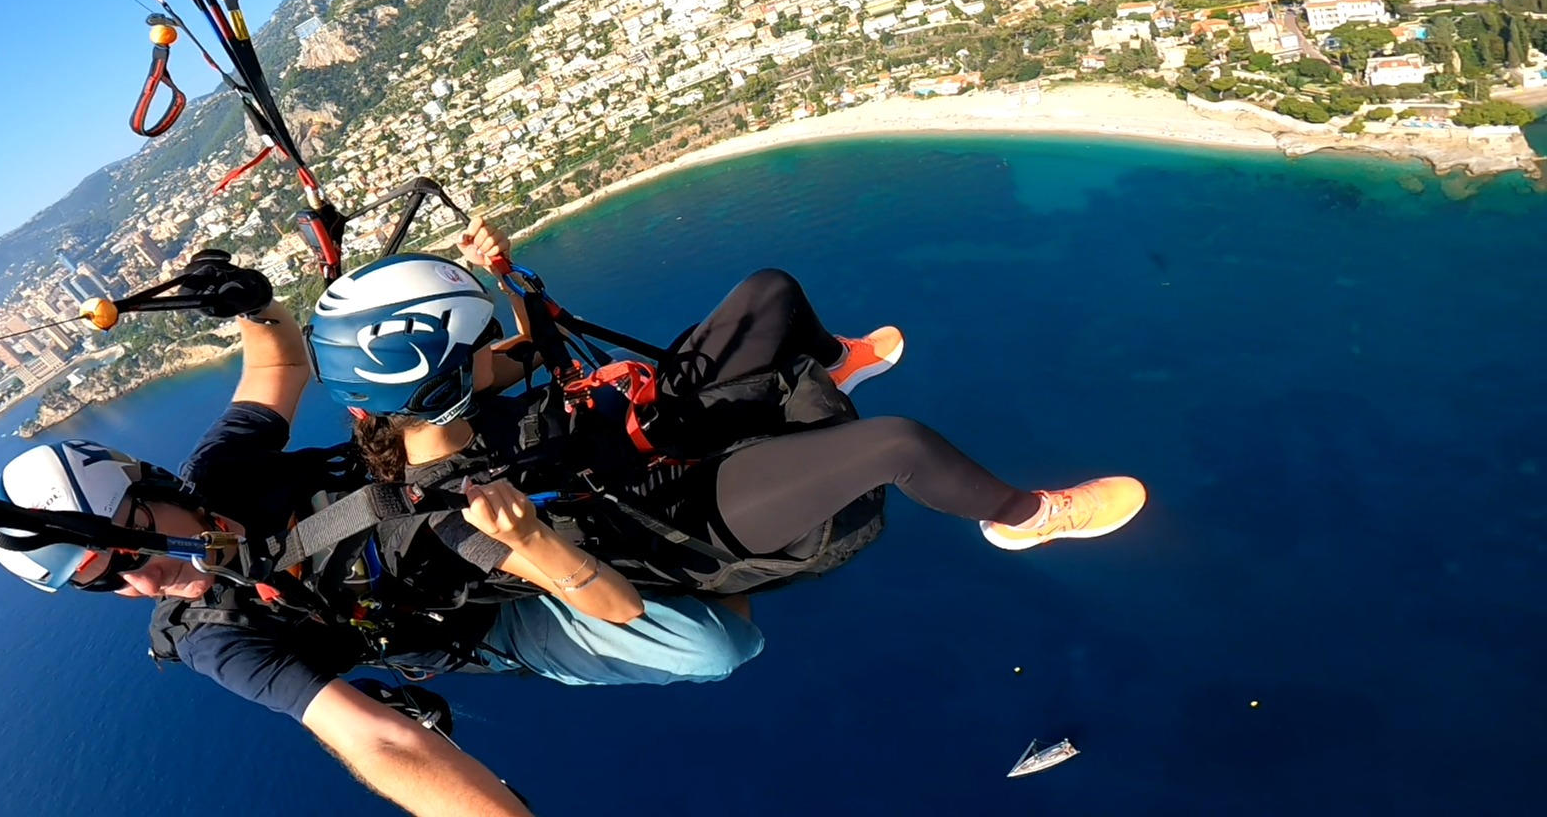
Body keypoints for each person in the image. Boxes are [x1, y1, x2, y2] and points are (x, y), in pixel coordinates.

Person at [0, 260, 762, 817]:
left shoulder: (222, 472)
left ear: (154, 489)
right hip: (477, 614)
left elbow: (278, 363)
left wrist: (252, 303)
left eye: (135, 548)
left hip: (454, 485)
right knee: (716, 645)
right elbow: (380, 743)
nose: (147, 582)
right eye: (109, 583)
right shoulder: (218, 635)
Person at [304, 217, 1147, 603]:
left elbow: (534, 348)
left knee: (769, 291)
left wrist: (505, 272)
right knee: (898, 444)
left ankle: (830, 364)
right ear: (435, 384)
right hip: (671, 515)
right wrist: (528, 541)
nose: (494, 353)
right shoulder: (457, 521)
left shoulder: (433, 401)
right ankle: (1023, 516)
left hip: (634, 433)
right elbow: (608, 604)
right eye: (476, 346)